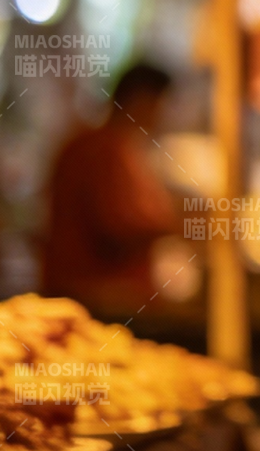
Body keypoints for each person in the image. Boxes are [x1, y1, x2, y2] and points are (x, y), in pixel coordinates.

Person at [42, 62, 177, 316]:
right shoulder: (104, 149)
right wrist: (177, 225)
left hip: (94, 293)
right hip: (96, 297)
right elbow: (117, 225)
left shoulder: (113, 146)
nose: (162, 116)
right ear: (142, 101)